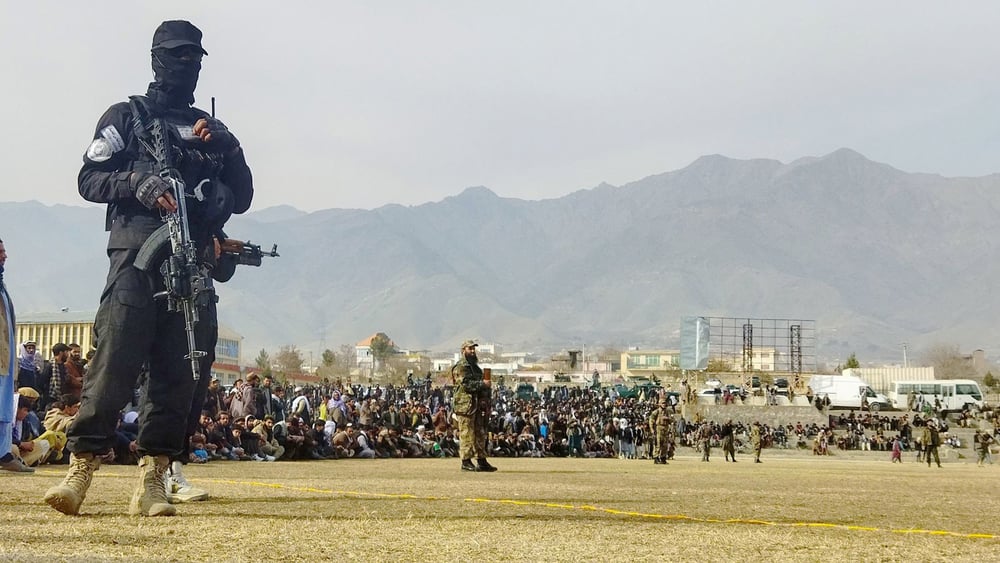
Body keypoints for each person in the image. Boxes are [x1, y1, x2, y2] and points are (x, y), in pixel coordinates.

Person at [44, 20, 253, 517]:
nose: (189, 65)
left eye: (196, 58)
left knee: (180, 375)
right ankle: (81, 471)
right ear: (157, 58)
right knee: (113, 362)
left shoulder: (208, 130)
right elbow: (88, 177)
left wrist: (228, 146)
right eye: (179, 56)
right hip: (136, 259)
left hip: (193, 265)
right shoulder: (125, 117)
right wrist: (135, 181)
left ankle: (155, 478)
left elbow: (241, 196)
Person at [451, 340, 497, 472]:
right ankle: (466, 461)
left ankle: (481, 460)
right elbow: (466, 384)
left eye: (473, 349)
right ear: (463, 350)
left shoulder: (475, 368)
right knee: (466, 433)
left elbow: (481, 385)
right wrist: (483, 384)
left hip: (477, 405)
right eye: (469, 349)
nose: (472, 351)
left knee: (480, 433)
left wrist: (486, 396)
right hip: (465, 406)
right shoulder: (461, 367)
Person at [647, 398, 672, 465]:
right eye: (663, 403)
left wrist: (668, 418)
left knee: (665, 445)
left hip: (665, 429)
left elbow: (672, 420)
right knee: (658, 444)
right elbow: (651, 420)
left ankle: (663, 458)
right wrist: (652, 429)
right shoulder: (656, 411)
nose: (664, 404)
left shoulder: (667, 412)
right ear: (660, 404)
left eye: (665, 403)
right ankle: (656, 458)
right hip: (658, 428)